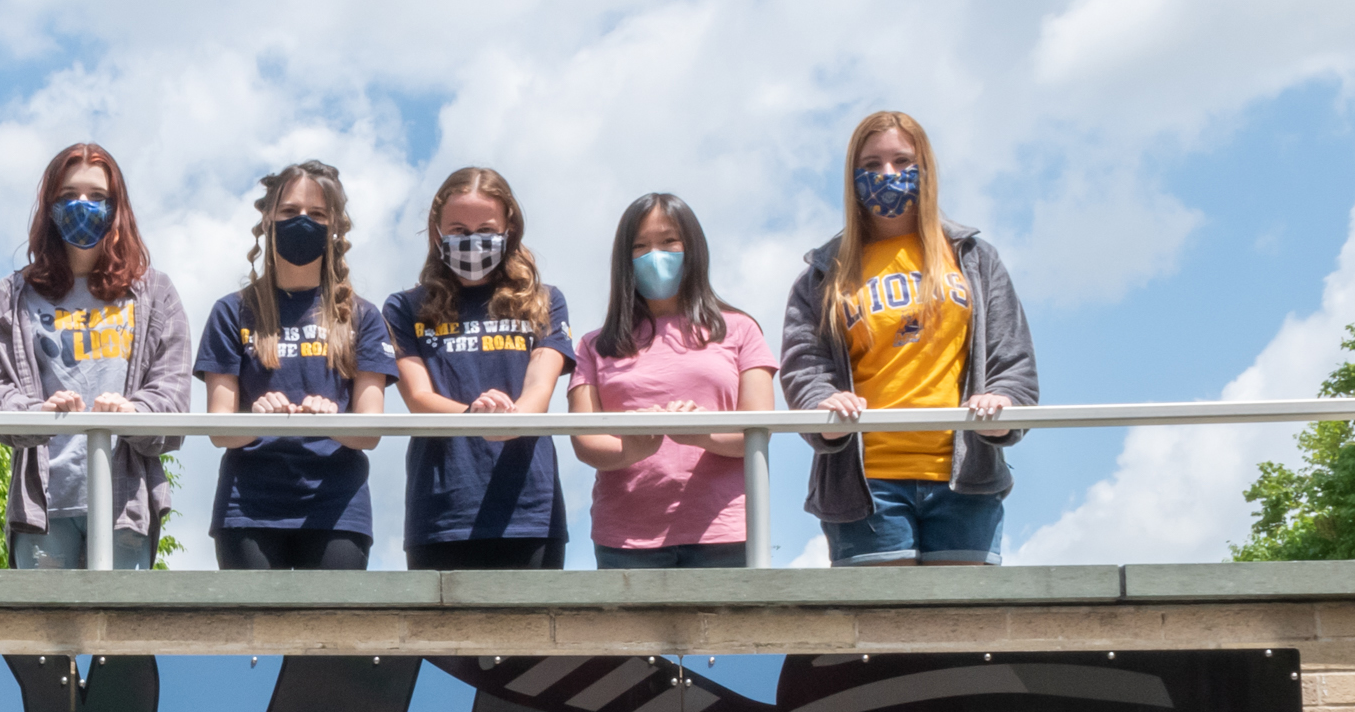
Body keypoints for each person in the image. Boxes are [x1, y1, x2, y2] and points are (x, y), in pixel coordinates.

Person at [776, 111, 1037, 564]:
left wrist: (1004, 406)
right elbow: (804, 364)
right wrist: (822, 402)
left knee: (965, 629)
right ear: (852, 176)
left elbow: (1012, 363)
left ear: (927, 169)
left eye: (901, 161)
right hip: (865, 487)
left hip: (964, 481)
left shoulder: (974, 259)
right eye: (872, 164)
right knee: (881, 631)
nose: (888, 174)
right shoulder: (823, 273)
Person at [0, 143, 192, 568]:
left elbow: (174, 397)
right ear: (49, 206)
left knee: (117, 632)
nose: (82, 206)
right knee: (44, 633)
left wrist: (133, 411)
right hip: (45, 507)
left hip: (125, 504)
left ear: (117, 206)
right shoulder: (13, 295)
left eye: (96, 196)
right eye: (68, 196)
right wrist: (38, 412)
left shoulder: (155, 293)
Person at [194, 160, 396, 571]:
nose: (302, 222)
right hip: (247, 508)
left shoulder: (363, 316)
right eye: (289, 212)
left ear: (335, 226)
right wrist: (256, 418)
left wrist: (336, 420)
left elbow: (370, 432)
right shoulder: (232, 312)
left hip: (338, 508)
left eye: (317, 214)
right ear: (267, 219)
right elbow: (219, 429)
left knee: (330, 633)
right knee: (252, 633)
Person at [569, 191, 776, 566]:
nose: (656, 255)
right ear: (624, 259)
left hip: (725, 533)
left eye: (669, 242)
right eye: (640, 246)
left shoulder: (742, 330)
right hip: (625, 541)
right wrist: (632, 448)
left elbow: (761, 428)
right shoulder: (592, 345)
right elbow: (584, 442)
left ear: (692, 248)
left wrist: (699, 432)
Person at [382, 167, 574, 571]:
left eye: (485, 228)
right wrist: (474, 417)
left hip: (529, 508)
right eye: (458, 229)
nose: (472, 241)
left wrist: (511, 418)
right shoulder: (403, 308)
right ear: (437, 233)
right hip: (443, 509)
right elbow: (418, 397)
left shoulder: (545, 301)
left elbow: (540, 386)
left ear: (510, 229)